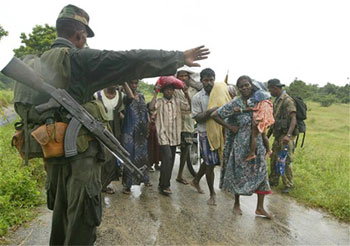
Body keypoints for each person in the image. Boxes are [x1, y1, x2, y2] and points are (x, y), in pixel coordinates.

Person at [12, 4, 210, 245]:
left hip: (52, 152)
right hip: (78, 155)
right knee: (83, 216)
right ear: (80, 34)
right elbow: (129, 59)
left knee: (62, 214)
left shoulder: (39, 62)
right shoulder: (76, 59)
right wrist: (178, 57)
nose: (84, 42)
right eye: (84, 38)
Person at [211, 75, 272, 218]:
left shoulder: (258, 101)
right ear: (238, 89)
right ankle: (236, 204)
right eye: (241, 86)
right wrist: (230, 127)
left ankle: (260, 208)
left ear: (251, 85)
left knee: (262, 174)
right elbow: (215, 114)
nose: (245, 88)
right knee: (238, 173)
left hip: (257, 145)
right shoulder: (235, 103)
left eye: (247, 85)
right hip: (240, 145)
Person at [149, 77, 190, 195]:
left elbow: (189, 107)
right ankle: (166, 186)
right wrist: (156, 92)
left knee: (170, 162)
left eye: (171, 90)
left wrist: (186, 93)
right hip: (163, 135)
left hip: (174, 135)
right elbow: (151, 108)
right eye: (167, 90)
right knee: (168, 158)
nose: (169, 92)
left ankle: (162, 183)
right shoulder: (160, 102)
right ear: (163, 91)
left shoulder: (177, 102)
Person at [190, 68, 221, 206]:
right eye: (206, 80)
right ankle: (212, 194)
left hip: (219, 132)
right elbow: (198, 118)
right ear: (201, 81)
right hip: (205, 133)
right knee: (210, 164)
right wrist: (211, 111)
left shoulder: (219, 93)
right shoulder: (197, 98)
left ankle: (196, 180)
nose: (209, 83)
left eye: (211, 80)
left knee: (211, 162)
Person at [267, 78, 297, 194]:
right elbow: (274, 121)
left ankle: (288, 184)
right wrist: (267, 136)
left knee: (285, 160)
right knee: (274, 159)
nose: (270, 92)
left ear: (275, 88)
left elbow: (293, 118)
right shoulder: (277, 101)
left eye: (270, 90)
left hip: (285, 137)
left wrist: (288, 135)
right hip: (278, 135)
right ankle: (273, 181)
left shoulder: (287, 100)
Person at [121, 79, 151, 194]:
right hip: (129, 131)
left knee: (142, 156)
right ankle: (127, 185)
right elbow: (130, 98)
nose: (134, 85)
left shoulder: (142, 96)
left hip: (141, 131)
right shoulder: (124, 97)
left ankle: (144, 179)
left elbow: (145, 112)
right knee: (129, 157)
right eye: (131, 83)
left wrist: (147, 125)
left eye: (135, 83)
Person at [173, 67, 201, 185]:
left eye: (185, 76)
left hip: (189, 121)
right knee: (172, 146)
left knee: (185, 149)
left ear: (189, 77)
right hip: (175, 120)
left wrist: (186, 92)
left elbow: (194, 105)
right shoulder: (174, 88)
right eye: (181, 76)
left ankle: (180, 174)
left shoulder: (194, 90)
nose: (183, 78)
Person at [95, 86, 125, 194]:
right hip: (101, 129)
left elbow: (122, 112)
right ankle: (98, 183)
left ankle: (105, 184)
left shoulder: (121, 96)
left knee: (112, 158)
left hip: (115, 130)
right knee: (101, 156)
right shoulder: (98, 95)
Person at [232, 85, 274, 161]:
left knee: (254, 135)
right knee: (263, 134)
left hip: (261, 116)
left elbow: (253, 108)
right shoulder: (266, 100)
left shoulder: (258, 99)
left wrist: (241, 110)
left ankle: (252, 153)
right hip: (265, 116)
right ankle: (268, 150)